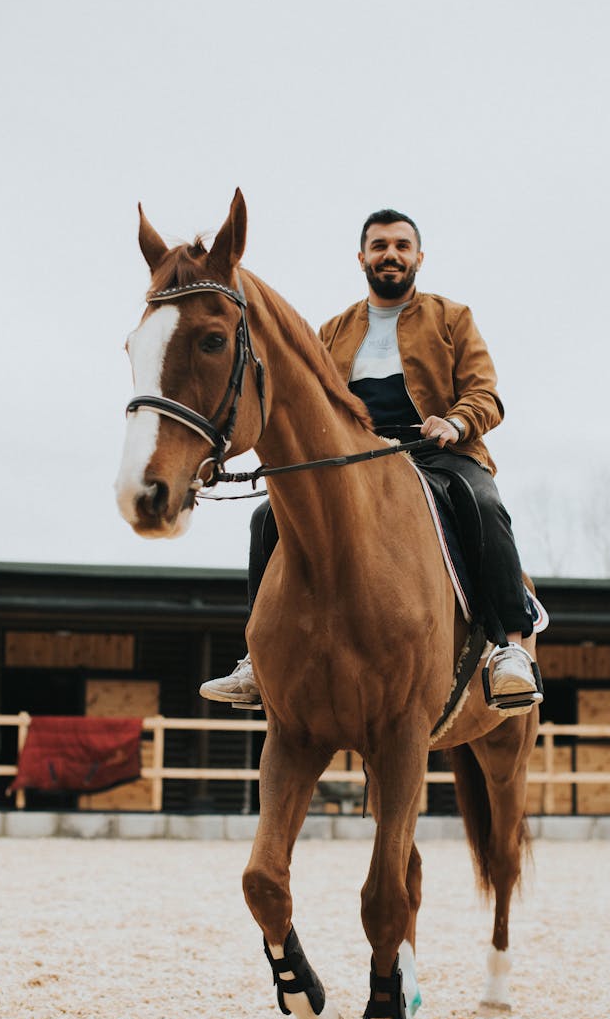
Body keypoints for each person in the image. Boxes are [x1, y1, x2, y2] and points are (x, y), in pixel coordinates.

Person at [200, 209, 541, 711]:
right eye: (380, 245)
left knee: (483, 500)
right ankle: (257, 658)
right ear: (362, 257)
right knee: (267, 515)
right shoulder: (332, 330)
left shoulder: (452, 317)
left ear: (419, 258)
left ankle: (510, 645)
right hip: (357, 462)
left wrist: (456, 422)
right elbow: (305, 400)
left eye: (402, 246)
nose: (391, 254)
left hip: (436, 453)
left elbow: (486, 394)